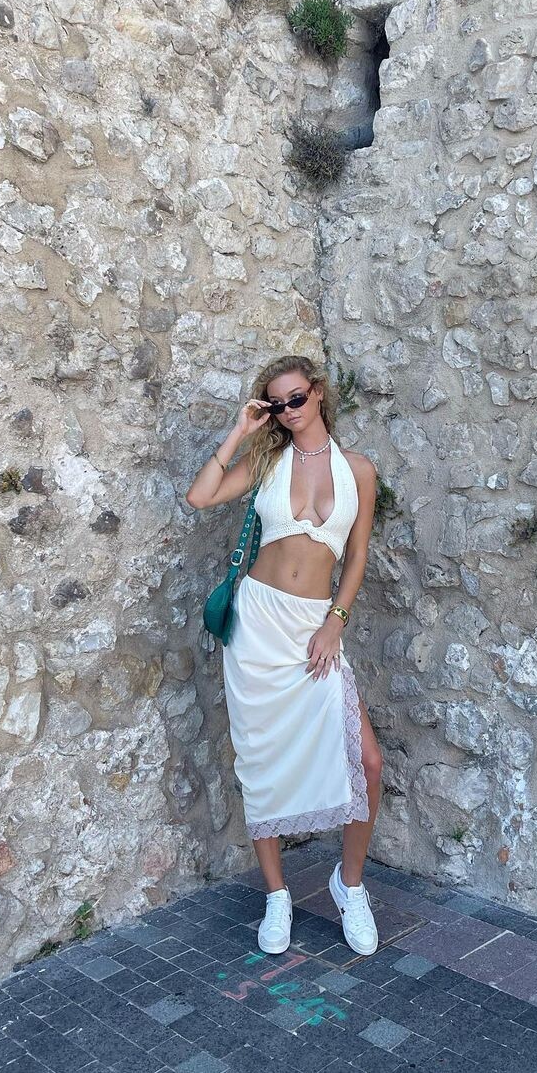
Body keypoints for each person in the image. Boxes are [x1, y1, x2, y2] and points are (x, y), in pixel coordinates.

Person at [185, 355, 383, 956]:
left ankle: (350, 885)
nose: (289, 411)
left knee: (368, 761)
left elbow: (356, 557)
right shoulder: (267, 460)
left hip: (313, 627)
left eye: (296, 398)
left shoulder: (358, 471)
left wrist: (334, 622)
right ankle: (277, 896)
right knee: (261, 763)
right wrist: (242, 430)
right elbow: (200, 496)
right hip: (258, 626)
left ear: (318, 394)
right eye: (277, 404)